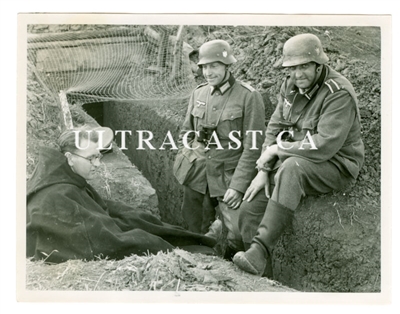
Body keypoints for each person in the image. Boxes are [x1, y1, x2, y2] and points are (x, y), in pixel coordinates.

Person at [232, 33, 365, 277]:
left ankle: (260, 249)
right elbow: (275, 125)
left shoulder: (338, 93)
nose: (298, 74)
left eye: (304, 66)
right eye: (292, 68)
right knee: (249, 208)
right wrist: (263, 170)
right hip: (294, 158)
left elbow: (324, 145)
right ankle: (260, 275)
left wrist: (277, 151)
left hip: (336, 164)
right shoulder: (290, 86)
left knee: (292, 167)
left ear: (318, 65)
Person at [27, 126, 217, 264]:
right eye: (91, 158)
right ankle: (203, 244)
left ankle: (202, 239)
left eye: (98, 156)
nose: (98, 164)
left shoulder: (63, 175)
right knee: (145, 237)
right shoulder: (56, 197)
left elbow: (100, 208)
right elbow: (101, 242)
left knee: (140, 218)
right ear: (69, 158)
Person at [173, 39, 265, 257]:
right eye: (204, 67)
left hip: (228, 177)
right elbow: (186, 132)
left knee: (238, 235)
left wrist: (238, 186)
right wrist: (186, 158)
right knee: (194, 230)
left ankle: (232, 269)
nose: (208, 72)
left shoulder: (248, 96)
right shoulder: (199, 93)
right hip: (197, 174)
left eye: (214, 66)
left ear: (227, 66)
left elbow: (253, 147)